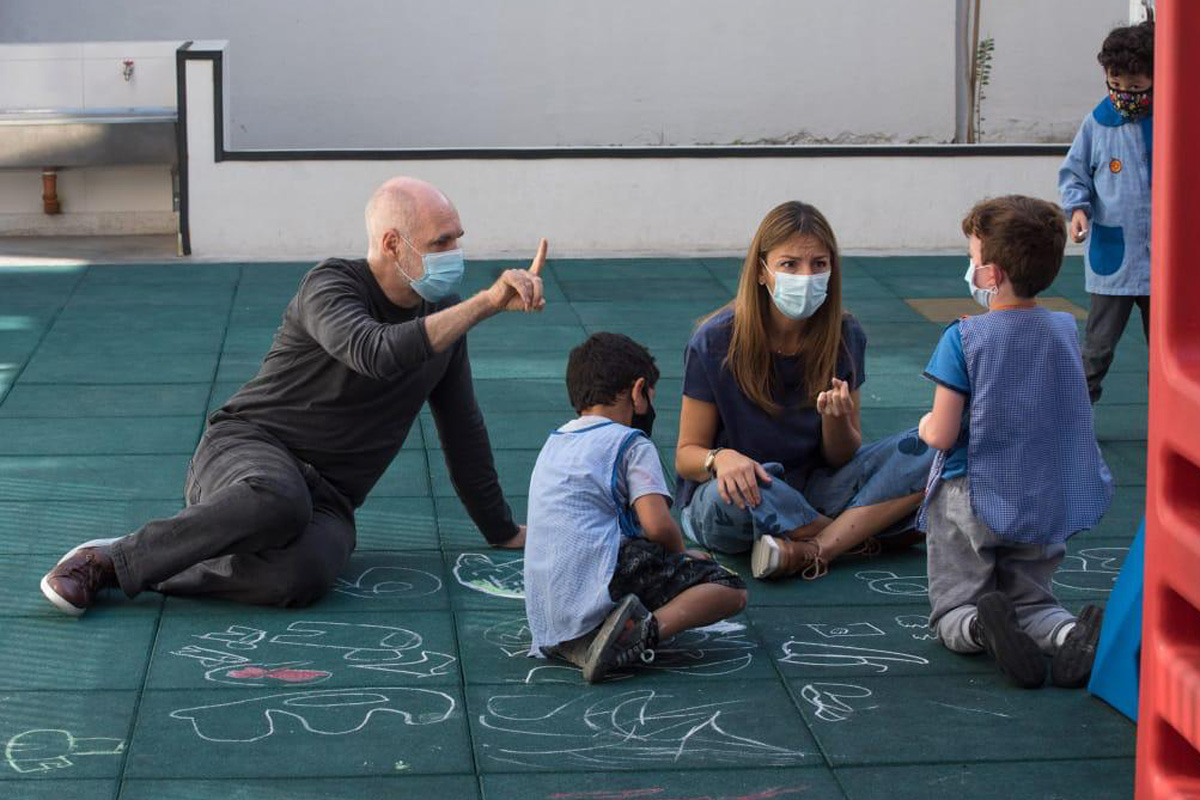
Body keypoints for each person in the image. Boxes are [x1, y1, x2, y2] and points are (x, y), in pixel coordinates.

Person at [40, 176, 546, 615]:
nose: (455, 253)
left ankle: (170, 561)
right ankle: (111, 560)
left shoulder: (444, 321)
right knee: (278, 500)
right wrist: (486, 303)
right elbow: (375, 351)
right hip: (249, 450)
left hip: (330, 498)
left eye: (457, 238)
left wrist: (500, 529)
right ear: (393, 244)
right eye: (441, 242)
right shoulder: (330, 286)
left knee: (301, 577)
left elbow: (463, 430)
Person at [675, 201, 935, 581]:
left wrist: (837, 422)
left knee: (939, 443)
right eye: (789, 264)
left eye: (818, 264)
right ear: (762, 271)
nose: (806, 275)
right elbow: (685, 456)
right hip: (740, 497)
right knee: (734, 493)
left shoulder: (845, 335)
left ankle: (813, 547)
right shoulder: (714, 340)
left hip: (817, 487)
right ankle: (857, 533)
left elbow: (841, 457)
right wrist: (721, 459)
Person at [918, 195, 1112, 689]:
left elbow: (941, 432)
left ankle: (983, 626)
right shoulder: (1063, 329)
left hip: (971, 493)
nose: (970, 267)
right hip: (1040, 488)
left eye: (972, 258)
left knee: (955, 606)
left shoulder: (964, 338)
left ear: (990, 275)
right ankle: (1069, 633)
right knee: (1035, 601)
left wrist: (922, 427)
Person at [524, 333, 747, 683]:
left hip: (548, 607)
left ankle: (578, 639)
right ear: (638, 390)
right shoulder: (630, 442)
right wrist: (681, 557)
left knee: (634, 552)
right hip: (601, 576)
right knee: (729, 589)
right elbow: (656, 525)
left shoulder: (556, 441)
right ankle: (637, 632)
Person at [1058, 21, 1154, 404]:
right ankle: (1074, 418)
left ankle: (1170, 418)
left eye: (1135, 87)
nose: (1124, 95)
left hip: (1166, 260)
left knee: (1169, 349)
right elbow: (1074, 172)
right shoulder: (1097, 123)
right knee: (1097, 348)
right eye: (1116, 85)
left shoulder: (1170, 121)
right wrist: (1077, 209)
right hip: (1115, 255)